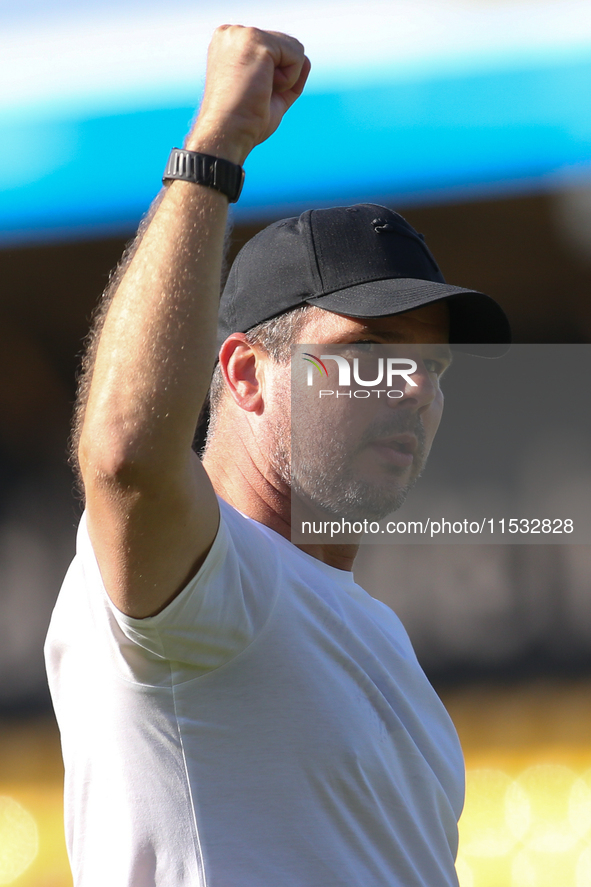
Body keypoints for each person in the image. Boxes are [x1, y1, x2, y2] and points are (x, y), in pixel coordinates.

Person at [45, 25, 510, 887]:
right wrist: (213, 148)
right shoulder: (209, 586)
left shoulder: (369, 629)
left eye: (432, 366)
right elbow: (124, 455)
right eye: (371, 355)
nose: (413, 387)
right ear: (247, 374)